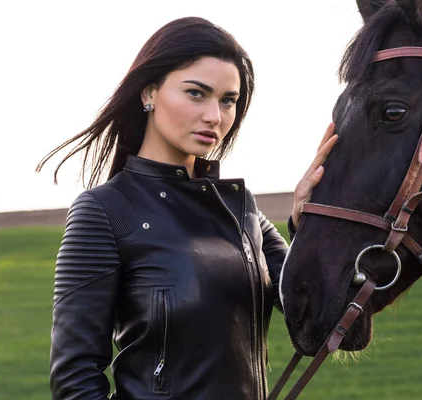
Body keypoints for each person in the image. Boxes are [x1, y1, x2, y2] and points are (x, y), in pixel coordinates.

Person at [37, 16, 337, 400]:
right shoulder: (104, 211)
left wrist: (308, 221)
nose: (215, 116)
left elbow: (316, 316)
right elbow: (74, 379)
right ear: (149, 93)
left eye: (228, 100)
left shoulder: (241, 207)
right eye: (196, 93)